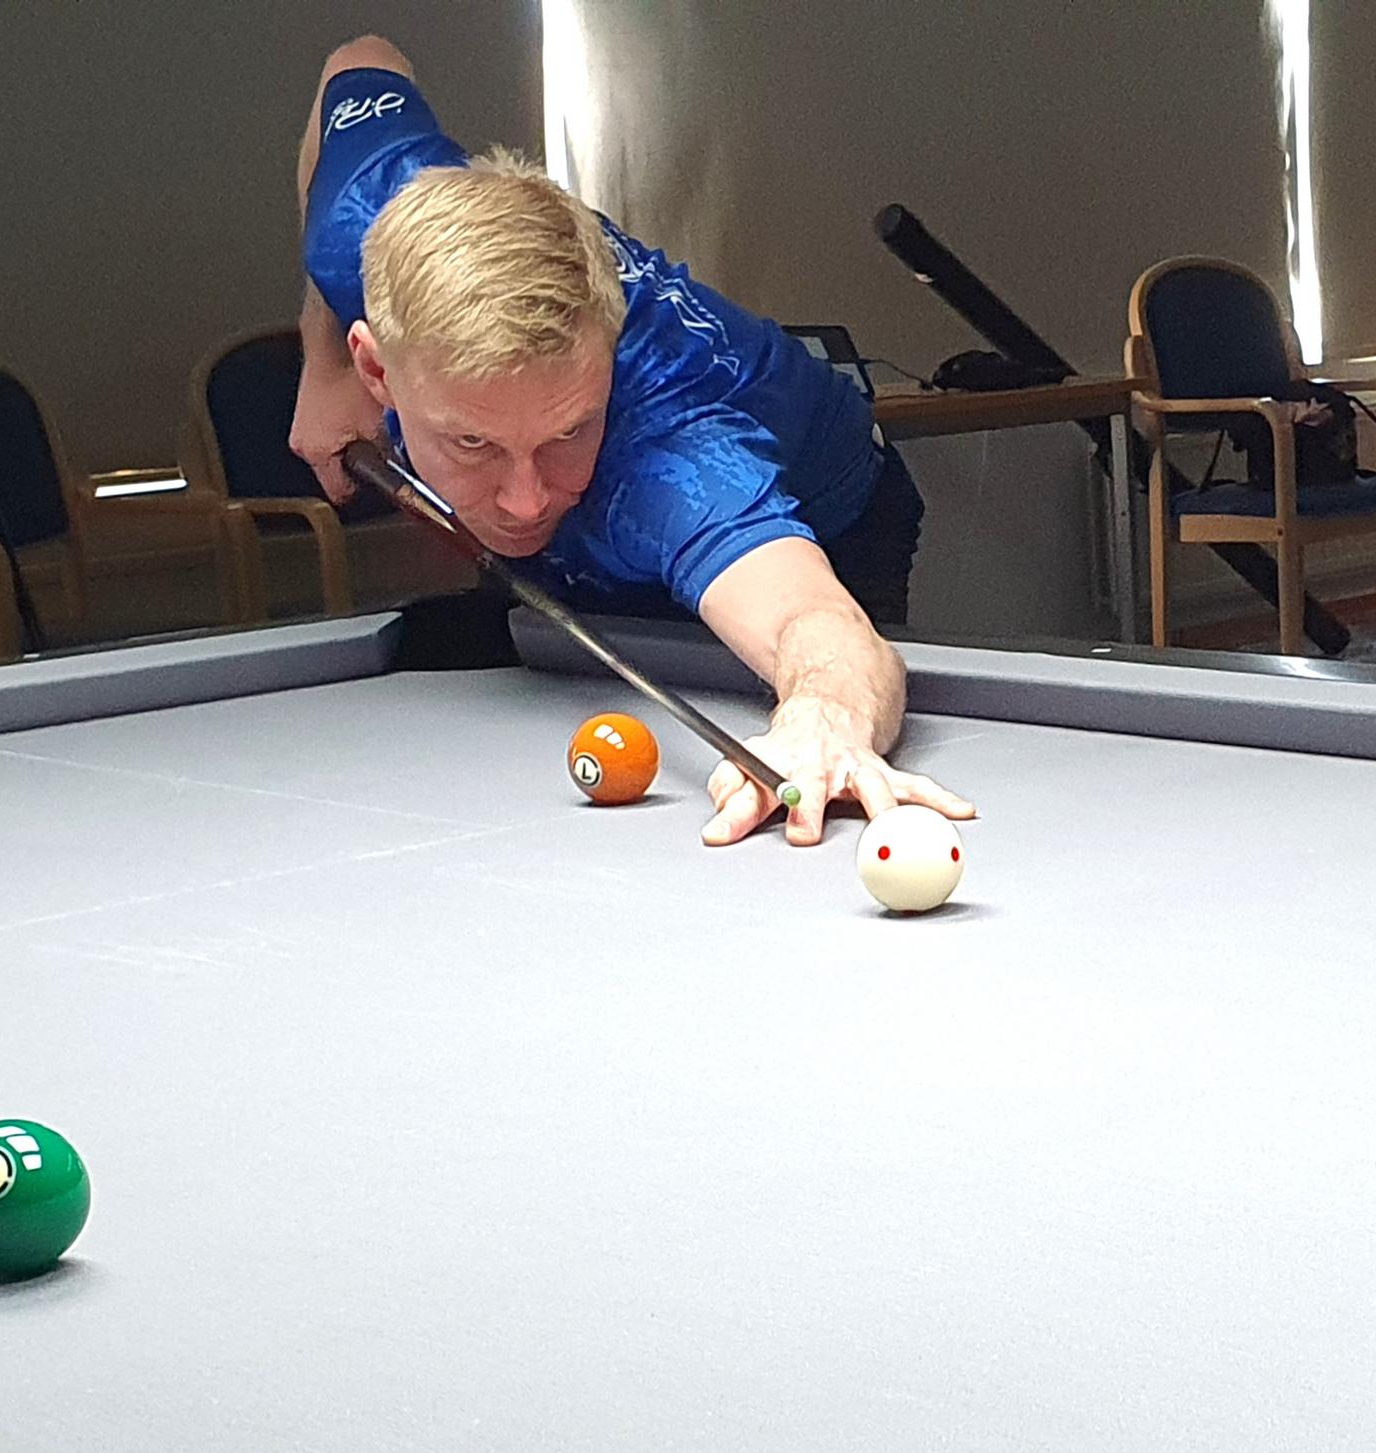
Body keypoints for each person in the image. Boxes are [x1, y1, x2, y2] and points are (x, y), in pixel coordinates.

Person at [289, 37, 972, 846]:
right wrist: (322, 357)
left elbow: (813, 620)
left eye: (568, 429)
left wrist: (822, 717)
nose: (525, 499)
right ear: (379, 368)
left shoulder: (675, 464)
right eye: (471, 441)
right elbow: (360, 59)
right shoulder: (365, 212)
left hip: (835, 513)